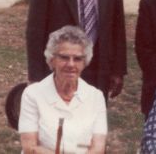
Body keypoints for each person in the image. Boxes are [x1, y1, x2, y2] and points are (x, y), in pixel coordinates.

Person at [19, 26, 107, 154]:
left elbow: (98, 148)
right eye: (64, 57)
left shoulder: (96, 97)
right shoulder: (32, 94)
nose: (71, 64)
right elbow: (30, 147)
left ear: (85, 62)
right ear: (52, 59)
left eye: (77, 59)